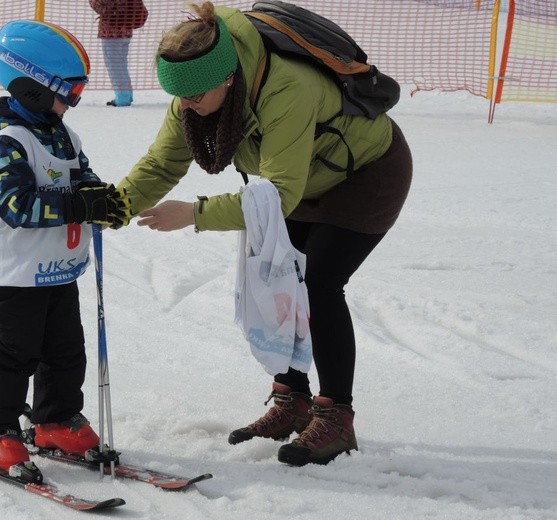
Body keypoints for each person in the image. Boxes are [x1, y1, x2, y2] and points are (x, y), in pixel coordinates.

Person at [113, 2, 412, 466]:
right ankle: (293, 401)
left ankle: (336, 418)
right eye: (179, 97)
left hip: (364, 176)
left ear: (228, 78)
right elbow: (162, 162)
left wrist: (194, 213)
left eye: (193, 96)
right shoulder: (196, 89)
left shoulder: (287, 87)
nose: (186, 106)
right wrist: (114, 204)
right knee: (278, 279)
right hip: (300, 178)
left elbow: (281, 194)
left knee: (318, 285)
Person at [0, 20, 130, 480]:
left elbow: (82, 178)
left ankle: (54, 419)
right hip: (14, 274)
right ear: (33, 88)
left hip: (57, 269)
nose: (73, 102)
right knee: (15, 352)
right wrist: (78, 203)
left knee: (65, 349)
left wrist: (100, 199)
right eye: (68, 91)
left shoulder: (62, 135)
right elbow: (17, 205)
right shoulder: (4, 142)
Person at [89, 0, 148, 107]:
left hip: (111, 32)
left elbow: (100, 7)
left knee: (114, 66)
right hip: (126, 31)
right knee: (121, 65)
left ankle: (122, 98)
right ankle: (126, 95)